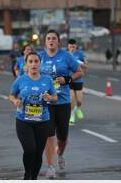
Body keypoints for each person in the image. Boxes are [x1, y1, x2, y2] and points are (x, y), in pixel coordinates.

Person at [39, 30, 83, 178]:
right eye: (48, 38)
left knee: (62, 137)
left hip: (63, 101)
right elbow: (31, 73)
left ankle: (61, 154)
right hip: (46, 102)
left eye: (54, 38)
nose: (51, 40)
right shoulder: (40, 57)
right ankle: (50, 166)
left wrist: (67, 79)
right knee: (49, 135)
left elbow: (79, 72)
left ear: (58, 41)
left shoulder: (66, 56)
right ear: (45, 41)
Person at [9, 52, 57, 180]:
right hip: (23, 120)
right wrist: (15, 101)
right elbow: (11, 94)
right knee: (30, 149)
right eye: (30, 61)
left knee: (38, 153)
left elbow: (55, 97)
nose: (33, 64)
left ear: (40, 63)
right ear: (26, 64)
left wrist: (50, 98)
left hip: (42, 121)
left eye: (36, 61)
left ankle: (34, 178)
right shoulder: (20, 79)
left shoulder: (47, 80)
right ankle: (27, 175)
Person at [67, 39, 88, 125]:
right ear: (68, 46)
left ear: (76, 46)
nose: (72, 48)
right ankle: (72, 115)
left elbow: (85, 66)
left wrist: (77, 62)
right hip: (69, 79)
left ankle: (77, 108)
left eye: (73, 46)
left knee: (79, 101)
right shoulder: (65, 54)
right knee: (72, 99)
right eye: (70, 46)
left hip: (78, 80)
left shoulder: (80, 54)